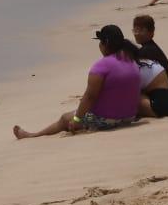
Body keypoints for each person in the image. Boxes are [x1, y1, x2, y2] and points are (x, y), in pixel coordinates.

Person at [13, 25, 141, 138]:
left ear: (105, 43)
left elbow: (90, 97)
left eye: (100, 42)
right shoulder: (130, 59)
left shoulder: (102, 66)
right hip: (129, 116)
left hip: (108, 120)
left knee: (65, 118)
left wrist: (76, 119)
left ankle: (33, 135)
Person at [132, 15, 168, 90]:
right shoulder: (152, 47)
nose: (137, 34)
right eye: (135, 30)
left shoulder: (147, 51)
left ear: (151, 32)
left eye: (141, 30)